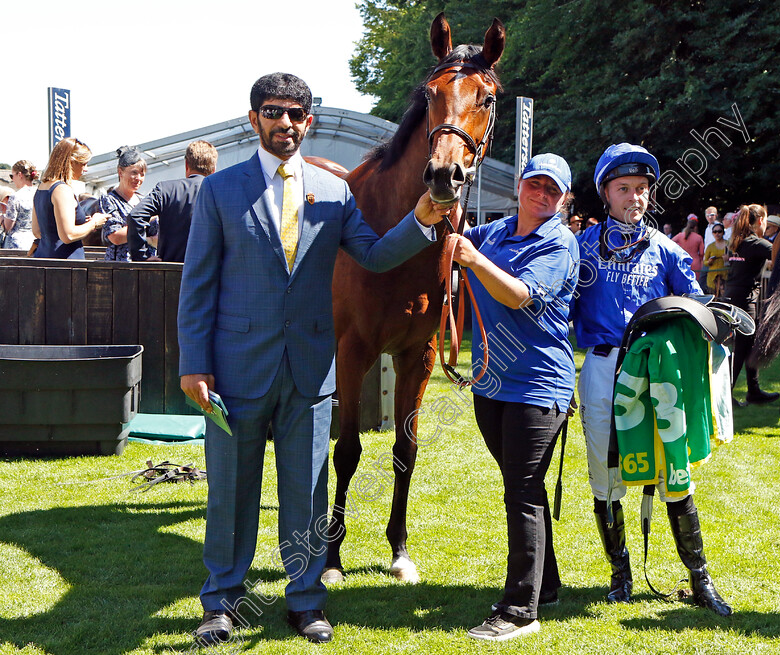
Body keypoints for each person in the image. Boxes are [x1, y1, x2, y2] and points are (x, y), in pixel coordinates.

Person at [178, 72, 452, 646]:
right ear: (255, 119)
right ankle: (222, 601)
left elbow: (375, 256)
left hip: (310, 370)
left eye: (297, 113)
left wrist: (424, 218)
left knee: (306, 491)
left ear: (310, 121)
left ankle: (305, 600)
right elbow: (197, 287)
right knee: (231, 490)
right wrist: (194, 365)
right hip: (233, 369)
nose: (286, 123)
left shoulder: (335, 195)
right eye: (274, 112)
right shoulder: (220, 192)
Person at [572, 143, 731, 616]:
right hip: (602, 368)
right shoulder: (580, 249)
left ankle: (699, 580)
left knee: (674, 474)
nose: (635, 197)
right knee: (605, 475)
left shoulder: (667, 249)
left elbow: (696, 307)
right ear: (606, 193)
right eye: (624, 189)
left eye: (642, 189)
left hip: (657, 374)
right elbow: (557, 310)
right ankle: (619, 574)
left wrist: (721, 318)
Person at [443, 154, 579, 641]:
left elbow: (519, 295)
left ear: (563, 198)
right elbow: (448, 233)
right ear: (520, 187)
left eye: (552, 190)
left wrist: (473, 260)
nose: (541, 194)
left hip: (539, 386)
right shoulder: (498, 232)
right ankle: (546, 587)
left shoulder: (559, 243)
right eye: (534, 185)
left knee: (520, 491)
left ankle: (520, 611)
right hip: (492, 385)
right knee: (528, 488)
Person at [724, 204, 779, 405]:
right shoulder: (757, 244)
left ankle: (753, 391)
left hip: (731, 297)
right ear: (761, 221)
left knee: (748, 347)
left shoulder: (737, 241)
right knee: (743, 348)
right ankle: (726, 393)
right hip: (745, 302)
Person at [128, 140, 218, 262]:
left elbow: (135, 216)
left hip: (168, 271)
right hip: (209, 273)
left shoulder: (165, 189)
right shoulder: (221, 192)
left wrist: (141, 257)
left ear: (186, 165)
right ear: (213, 169)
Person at [32, 138, 108, 259]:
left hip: (43, 258)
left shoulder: (42, 187)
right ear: (71, 162)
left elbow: (37, 231)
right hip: (66, 265)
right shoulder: (62, 190)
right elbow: (68, 235)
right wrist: (94, 223)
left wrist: (81, 225)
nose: (86, 168)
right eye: (83, 163)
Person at [100, 146, 147, 261]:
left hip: (145, 264)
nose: (138, 178)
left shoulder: (144, 200)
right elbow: (115, 236)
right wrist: (147, 221)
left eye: (142, 174)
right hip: (120, 268)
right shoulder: (109, 200)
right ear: (120, 172)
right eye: (134, 173)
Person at [2, 160, 38, 250]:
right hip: (37, 243)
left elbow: (8, 226)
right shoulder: (40, 193)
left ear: (20, 175)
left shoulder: (15, 197)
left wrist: (2, 218)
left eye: (12, 176)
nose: (12, 179)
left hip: (17, 244)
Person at [671, 216, 705, 283]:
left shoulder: (680, 235)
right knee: (696, 283)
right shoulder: (698, 237)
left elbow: (670, 242)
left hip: (683, 261)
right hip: (695, 263)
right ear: (695, 227)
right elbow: (701, 253)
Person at [703, 222, 729, 297]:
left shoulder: (728, 244)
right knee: (713, 298)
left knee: (724, 298)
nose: (717, 234)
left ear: (723, 232)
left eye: (719, 231)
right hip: (712, 277)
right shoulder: (710, 246)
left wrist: (728, 259)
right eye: (715, 232)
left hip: (725, 275)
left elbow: (735, 258)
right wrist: (709, 262)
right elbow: (705, 262)